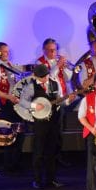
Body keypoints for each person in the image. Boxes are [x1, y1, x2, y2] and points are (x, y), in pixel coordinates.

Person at [20, 64, 65, 190]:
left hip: (54, 121)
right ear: (35, 76)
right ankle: (37, 180)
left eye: (46, 76)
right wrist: (34, 106)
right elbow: (22, 101)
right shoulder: (31, 86)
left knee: (52, 151)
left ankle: (51, 179)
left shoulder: (55, 83)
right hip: (40, 123)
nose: (44, 79)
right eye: (41, 78)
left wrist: (67, 100)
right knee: (38, 151)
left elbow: (60, 99)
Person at [0, 42, 30, 174]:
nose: (7, 53)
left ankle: (16, 163)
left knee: (20, 134)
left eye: (8, 51)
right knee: (9, 135)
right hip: (7, 105)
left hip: (17, 104)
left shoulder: (10, 66)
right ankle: (8, 166)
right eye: (5, 51)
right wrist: (9, 97)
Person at [38, 38, 74, 167]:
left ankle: (57, 157)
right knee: (47, 133)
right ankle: (46, 159)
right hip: (47, 102)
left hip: (60, 100)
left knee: (58, 131)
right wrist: (58, 66)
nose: (53, 53)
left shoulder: (58, 62)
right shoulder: (40, 63)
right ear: (44, 50)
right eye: (50, 50)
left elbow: (68, 78)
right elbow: (48, 78)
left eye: (55, 50)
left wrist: (65, 68)